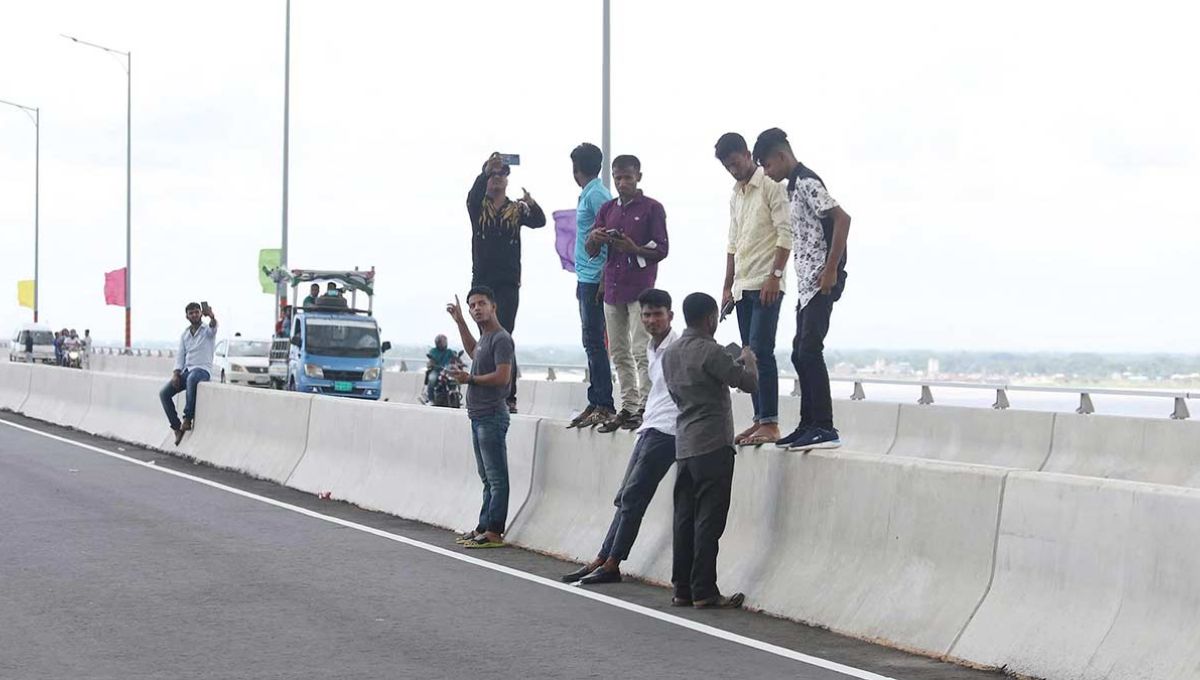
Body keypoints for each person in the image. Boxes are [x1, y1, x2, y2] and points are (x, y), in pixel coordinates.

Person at [561, 288, 679, 585]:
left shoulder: (678, 349)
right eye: (647, 315)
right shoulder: (653, 348)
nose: (651, 320)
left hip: (668, 432)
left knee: (634, 498)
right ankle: (603, 558)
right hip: (649, 426)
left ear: (670, 316)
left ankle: (613, 563)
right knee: (623, 497)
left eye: (657, 314)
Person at [753, 128, 852, 452]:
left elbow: (842, 219)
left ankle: (824, 426)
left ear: (781, 156)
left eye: (767, 165)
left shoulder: (807, 182)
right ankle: (808, 423)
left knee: (810, 350)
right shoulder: (792, 189)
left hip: (821, 282)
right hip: (807, 285)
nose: (767, 172)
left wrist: (831, 269)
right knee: (799, 352)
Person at [661, 292, 758, 609]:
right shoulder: (712, 352)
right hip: (713, 444)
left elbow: (676, 397)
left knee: (684, 519)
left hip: (684, 445)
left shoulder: (670, 353)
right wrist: (750, 361)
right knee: (709, 520)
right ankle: (704, 589)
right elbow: (747, 383)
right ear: (709, 319)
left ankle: (682, 589)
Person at [716, 132, 792, 446]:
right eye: (727, 166)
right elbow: (733, 244)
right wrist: (726, 286)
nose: (733, 170)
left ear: (747, 154)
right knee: (748, 356)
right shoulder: (736, 195)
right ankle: (759, 419)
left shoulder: (771, 185)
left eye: (735, 163)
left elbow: (786, 234)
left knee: (762, 352)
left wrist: (775, 275)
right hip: (742, 285)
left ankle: (771, 422)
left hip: (766, 282)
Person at [586, 155, 669, 433]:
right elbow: (590, 250)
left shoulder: (652, 208)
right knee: (619, 351)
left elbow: (661, 249)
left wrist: (634, 247)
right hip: (612, 286)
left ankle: (646, 406)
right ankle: (628, 406)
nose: (623, 183)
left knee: (641, 350)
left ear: (638, 177)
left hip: (640, 287)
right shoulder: (608, 208)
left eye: (628, 177)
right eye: (618, 178)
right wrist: (595, 239)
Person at [466, 152, 546, 413]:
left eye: (501, 175)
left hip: (509, 281)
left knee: (504, 335)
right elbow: (471, 196)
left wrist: (531, 203)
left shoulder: (516, 209)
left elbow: (539, 221)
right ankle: (487, 387)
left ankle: (507, 394)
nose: (497, 179)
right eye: (493, 175)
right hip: (483, 282)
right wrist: (484, 171)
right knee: (486, 335)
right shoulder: (478, 207)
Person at [445, 286, 515, 549]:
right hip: (478, 416)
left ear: (493, 306)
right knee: (486, 477)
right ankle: (484, 526)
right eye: (472, 305)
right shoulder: (485, 338)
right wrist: (460, 321)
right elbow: (474, 352)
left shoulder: (501, 339)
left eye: (481, 304)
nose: (476, 309)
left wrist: (470, 379)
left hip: (492, 416)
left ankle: (495, 530)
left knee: (497, 478)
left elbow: (502, 376)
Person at [566, 142, 617, 430]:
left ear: (576, 169)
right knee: (591, 341)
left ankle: (604, 402)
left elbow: (609, 237)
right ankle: (595, 398)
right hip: (585, 276)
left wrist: (602, 278)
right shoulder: (589, 193)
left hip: (595, 278)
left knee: (596, 342)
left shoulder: (597, 195)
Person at [160, 302, 218, 446]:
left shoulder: (207, 331)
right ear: (187, 316)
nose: (194, 315)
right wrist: (176, 373)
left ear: (200, 313)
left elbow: (214, 327)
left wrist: (212, 316)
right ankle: (176, 427)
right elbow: (180, 356)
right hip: (188, 370)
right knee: (164, 394)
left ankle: (187, 418)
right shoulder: (185, 334)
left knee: (192, 379)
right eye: (191, 313)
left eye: (197, 312)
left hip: (202, 370)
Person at [425, 334, 458, 403]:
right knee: (432, 379)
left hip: (448, 371)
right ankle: (430, 399)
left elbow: (455, 359)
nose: (445, 343)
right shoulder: (433, 351)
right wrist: (432, 364)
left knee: (455, 380)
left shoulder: (449, 351)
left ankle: (454, 395)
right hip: (437, 370)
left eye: (445, 341)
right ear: (438, 343)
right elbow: (431, 361)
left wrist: (460, 363)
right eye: (443, 342)